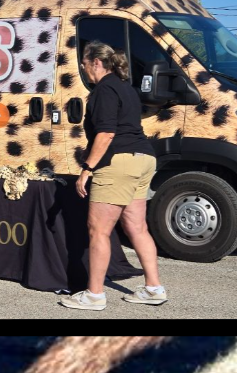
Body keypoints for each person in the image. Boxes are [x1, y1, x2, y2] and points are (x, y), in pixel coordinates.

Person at [59, 41, 166, 312]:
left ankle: (94, 295)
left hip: (118, 163)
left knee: (98, 230)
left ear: (96, 62)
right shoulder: (126, 88)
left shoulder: (104, 90)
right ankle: (153, 288)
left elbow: (106, 133)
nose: (83, 69)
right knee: (137, 227)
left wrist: (87, 169)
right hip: (143, 159)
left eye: (84, 64)